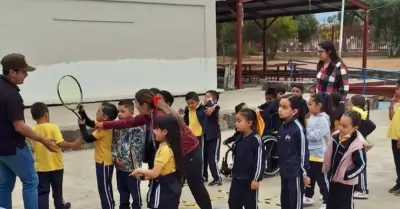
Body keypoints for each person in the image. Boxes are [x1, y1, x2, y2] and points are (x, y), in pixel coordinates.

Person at [96, 89, 212, 209]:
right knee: (175, 187)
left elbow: (173, 139)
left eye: (136, 103)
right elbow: (128, 122)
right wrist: (104, 125)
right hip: (176, 153)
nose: (135, 106)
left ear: (144, 105)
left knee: (195, 185)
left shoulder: (159, 116)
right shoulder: (148, 115)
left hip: (190, 152)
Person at [0, 53, 58, 209]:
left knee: (4, 185)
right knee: (31, 180)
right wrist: (42, 139)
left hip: (1, 149)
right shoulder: (12, 95)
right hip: (14, 147)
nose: (26, 75)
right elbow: (19, 126)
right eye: (23, 72)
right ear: (12, 72)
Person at [29, 102, 83, 209]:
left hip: (41, 168)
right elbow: (61, 143)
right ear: (46, 115)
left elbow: (32, 148)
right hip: (56, 166)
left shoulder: (32, 130)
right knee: (57, 191)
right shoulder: (53, 127)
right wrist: (74, 144)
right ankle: (60, 206)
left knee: (42, 192)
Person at [130, 115, 184, 209]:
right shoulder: (166, 145)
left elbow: (154, 173)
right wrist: (144, 177)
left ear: (165, 132)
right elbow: (161, 171)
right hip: (171, 185)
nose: (153, 131)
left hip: (165, 188)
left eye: (156, 129)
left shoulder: (165, 149)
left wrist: (139, 170)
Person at [322, 111, 367, 209]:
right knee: (331, 203)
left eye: (345, 126)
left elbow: (362, 165)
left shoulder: (356, 145)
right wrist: (327, 170)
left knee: (345, 205)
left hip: (346, 183)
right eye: (339, 124)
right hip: (333, 178)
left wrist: (347, 175)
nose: (340, 128)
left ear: (354, 128)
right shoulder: (335, 137)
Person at [78, 102, 118, 209]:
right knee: (106, 187)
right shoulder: (105, 124)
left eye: (99, 111)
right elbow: (90, 122)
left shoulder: (104, 129)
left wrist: (82, 127)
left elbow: (88, 138)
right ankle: (111, 205)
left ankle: (108, 206)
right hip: (104, 162)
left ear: (105, 117)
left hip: (104, 163)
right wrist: (82, 112)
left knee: (104, 189)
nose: (96, 112)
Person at [277, 94, 310, 209]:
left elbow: (303, 153)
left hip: (295, 173)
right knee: (285, 202)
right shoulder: (283, 126)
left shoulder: (298, 129)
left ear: (294, 111)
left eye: (285, 107)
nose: (280, 110)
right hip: (284, 171)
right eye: (280, 106)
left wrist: (304, 174)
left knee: (295, 203)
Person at [228, 108, 265, 209]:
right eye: (236, 121)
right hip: (237, 178)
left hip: (249, 180)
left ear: (249, 123)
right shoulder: (239, 137)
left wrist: (256, 179)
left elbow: (259, 161)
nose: (236, 123)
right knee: (233, 203)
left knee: (250, 205)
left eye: (239, 121)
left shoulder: (256, 140)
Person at [112, 100, 145, 209]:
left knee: (135, 194)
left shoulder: (137, 127)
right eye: (118, 111)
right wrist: (115, 157)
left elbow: (137, 148)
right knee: (122, 191)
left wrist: (125, 161)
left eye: (123, 111)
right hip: (119, 168)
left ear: (131, 112)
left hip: (132, 169)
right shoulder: (116, 127)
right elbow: (114, 143)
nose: (119, 114)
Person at [303, 93, 332, 209]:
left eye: (310, 104)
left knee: (322, 180)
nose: (308, 106)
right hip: (310, 154)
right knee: (310, 177)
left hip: (320, 155)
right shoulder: (310, 117)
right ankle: (308, 196)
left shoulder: (324, 119)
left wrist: (305, 131)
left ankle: (328, 201)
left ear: (319, 105)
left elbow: (317, 136)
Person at [346, 95, 376, 199]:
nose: (347, 107)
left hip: (359, 145)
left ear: (356, 106)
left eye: (349, 105)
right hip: (353, 145)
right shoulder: (354, 115)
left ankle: (363, 190)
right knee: (354, 166)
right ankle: (356, 187)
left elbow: (372, 126)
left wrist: (362, 135)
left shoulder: (360, 115)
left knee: (361, 167)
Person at [180, 92, 207, 180]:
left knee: (201, 157)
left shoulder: (203, 109)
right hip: (191, 137)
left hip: (200, 136)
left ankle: (202, 176)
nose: (190, 105)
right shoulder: (187, 109)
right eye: (188, 103)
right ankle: (189, 176)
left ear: (198, 101)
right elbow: (186, 120)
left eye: (192, 103)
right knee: (190, 157)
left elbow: (215, 107)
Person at [203, 90, 222, 186]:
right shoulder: (205, 109)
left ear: (214, 100)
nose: (205, 99)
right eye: (205, 97)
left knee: (212, 159)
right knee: (204, 158)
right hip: (205, 137)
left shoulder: (215, 108)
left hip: (214, 137)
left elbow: (215, 106)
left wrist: (211, 103)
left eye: (208, 97)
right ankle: (204, 176)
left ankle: (217, 178)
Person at [387, 84, 400, 195]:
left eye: (398, 88)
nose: (396, 90)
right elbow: (392, 117)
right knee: (397, 162)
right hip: (395, 137)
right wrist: (392, 104)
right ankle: (399, 182)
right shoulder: (398, 103)